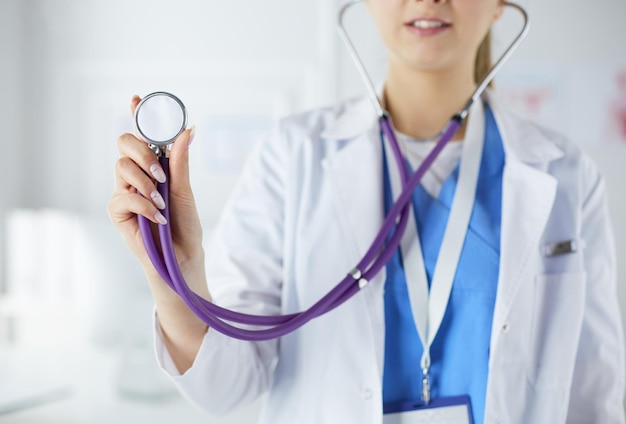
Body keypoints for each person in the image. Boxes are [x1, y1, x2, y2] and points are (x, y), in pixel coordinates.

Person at [108, 0, 626, 423]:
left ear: (498, 7)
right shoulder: (292, 155)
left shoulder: (567, 175)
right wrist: (173, 279)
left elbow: (595, 393)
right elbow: (226, 387)